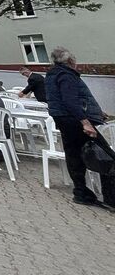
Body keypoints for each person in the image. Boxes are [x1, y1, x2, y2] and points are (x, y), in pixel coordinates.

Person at [46, 47, 113, 209]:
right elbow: (70, 101)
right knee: (106, 154)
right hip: (74, 121)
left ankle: (81, 192)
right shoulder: (66, 75)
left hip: (63, 119)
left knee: (74, 155)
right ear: (70, 62)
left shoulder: (52, 75)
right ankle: (111, 196)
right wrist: (85, 122)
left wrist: (96, 112)